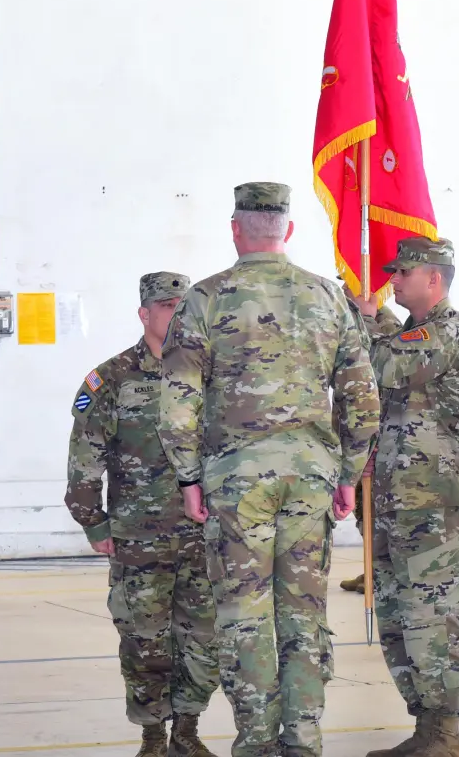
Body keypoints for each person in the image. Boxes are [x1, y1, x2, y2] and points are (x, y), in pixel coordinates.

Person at [160, 182, 380, 757]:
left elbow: (177, 402)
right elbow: (363, 401)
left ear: (235, 229)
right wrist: (348, 475)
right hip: (310, 477)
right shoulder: (327, 296)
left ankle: (257, 743)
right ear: (289, 230)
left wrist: (188, 477)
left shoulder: (205, 299)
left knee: (244, 615)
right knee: (304, 612)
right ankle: (303, 741)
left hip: (237, 481)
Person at [67, 272, 217, 757]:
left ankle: (187, 733)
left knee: (203, 639)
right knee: (143, 640)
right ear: (144, 314)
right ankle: (153, 737)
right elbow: (85, 453)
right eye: (168, 306)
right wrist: (92, 519)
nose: (177, 315)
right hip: (138, 536)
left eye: (183, 306)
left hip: (204, 533)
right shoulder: (112, 378)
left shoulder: (211, 373)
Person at [353, 235, 459, 757]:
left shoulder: (451, 332)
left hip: (434, 504)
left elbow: (381, 365)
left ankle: (445, 732)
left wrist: (366, 318)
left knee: (434, 618)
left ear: (434, 278)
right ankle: (426, 726)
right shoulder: (411, 333)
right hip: (394, 501)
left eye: (403, 272)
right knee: (399, 618)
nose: (393, 280)